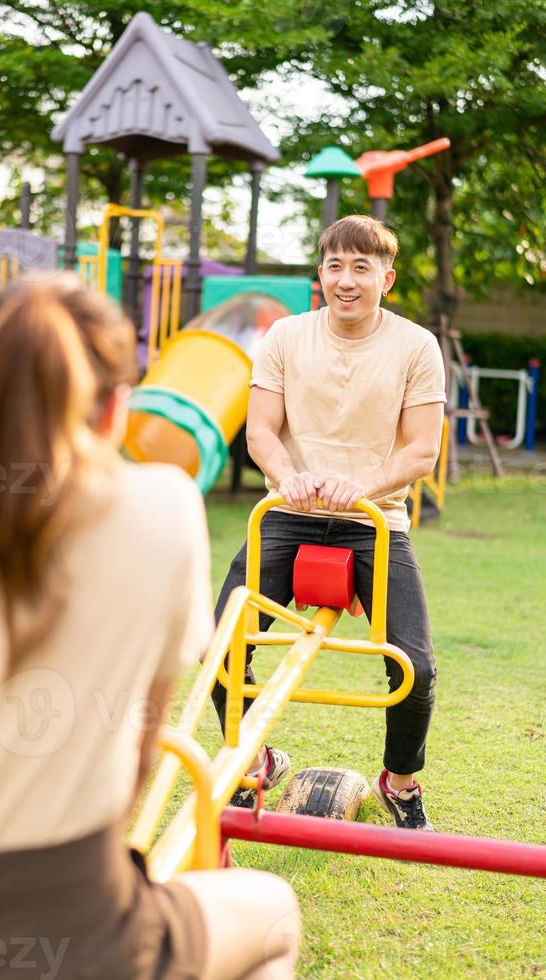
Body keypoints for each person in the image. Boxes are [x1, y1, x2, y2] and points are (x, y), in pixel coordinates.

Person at [0, 275, 300, 979]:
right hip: (83, 921)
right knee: (272, 911)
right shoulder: (163, 508)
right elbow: (142, 740)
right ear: (116, 410)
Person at [211, 215, 446, 831]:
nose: (347, 280)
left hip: (375, 519)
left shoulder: (415, 346)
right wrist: (289, 476)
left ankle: (399, 780)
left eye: (361, 268)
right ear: (320, 274)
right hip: (288, 513)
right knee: (222, 645)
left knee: (414, 667)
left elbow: (422, 450)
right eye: (335, 266)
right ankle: (256, 756)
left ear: (385, 279)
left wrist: (359, 486)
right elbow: (260, 429)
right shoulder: (287, 336)